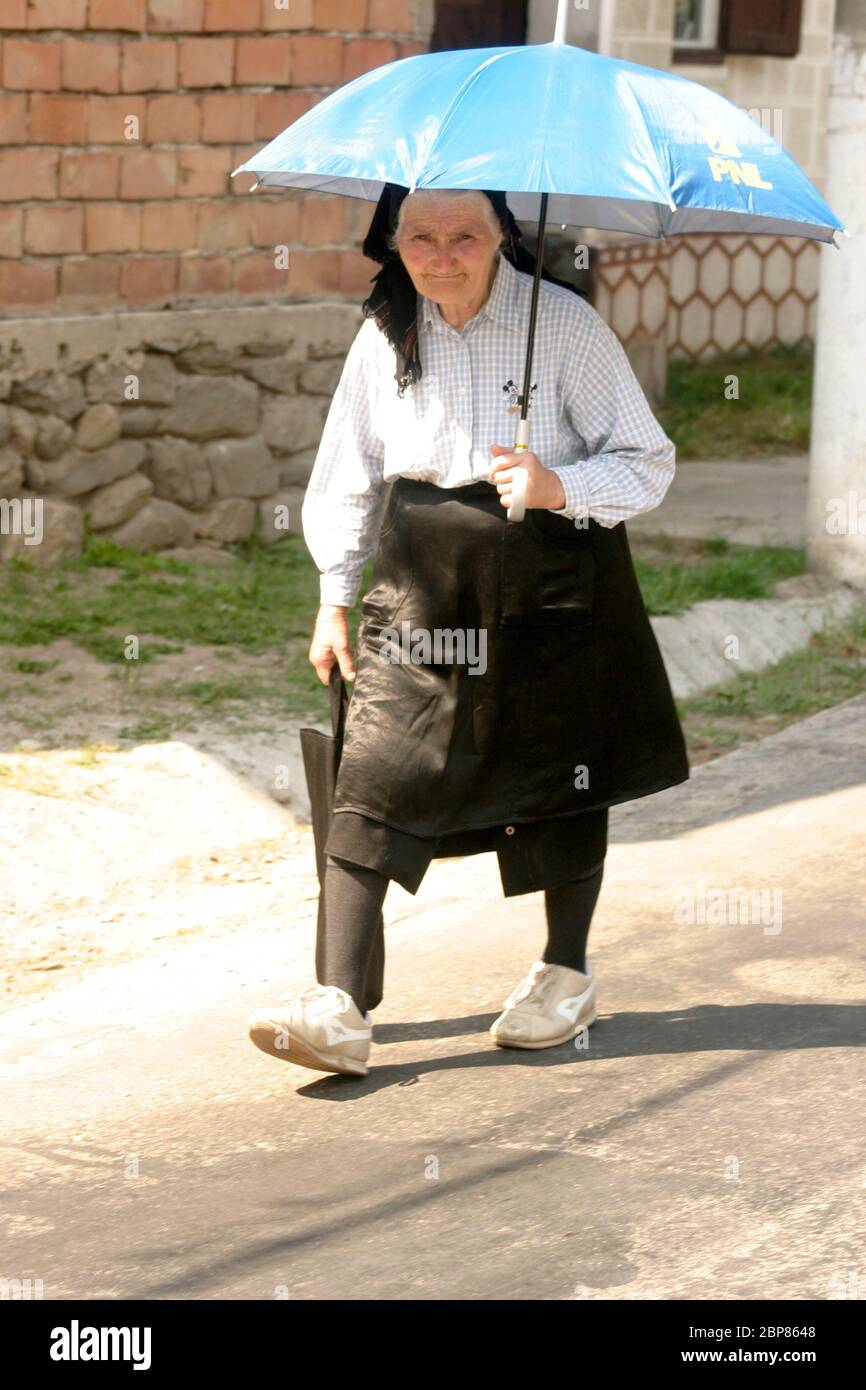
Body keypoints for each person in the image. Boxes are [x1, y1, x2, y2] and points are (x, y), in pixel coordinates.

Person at [248, 183, 689, 1077]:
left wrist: (558, 485)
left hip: (554, 581)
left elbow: (647, 460)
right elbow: (349, 475)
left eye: (463, 235)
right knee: (375, 765)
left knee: (560, 773)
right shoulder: (385, 334)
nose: (441, 254)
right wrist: (334, 595)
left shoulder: (563, 325)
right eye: (421, 236)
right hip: (422, 582)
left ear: (501, 238)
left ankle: (565, 974)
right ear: (394, 242)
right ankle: (337, 1004)